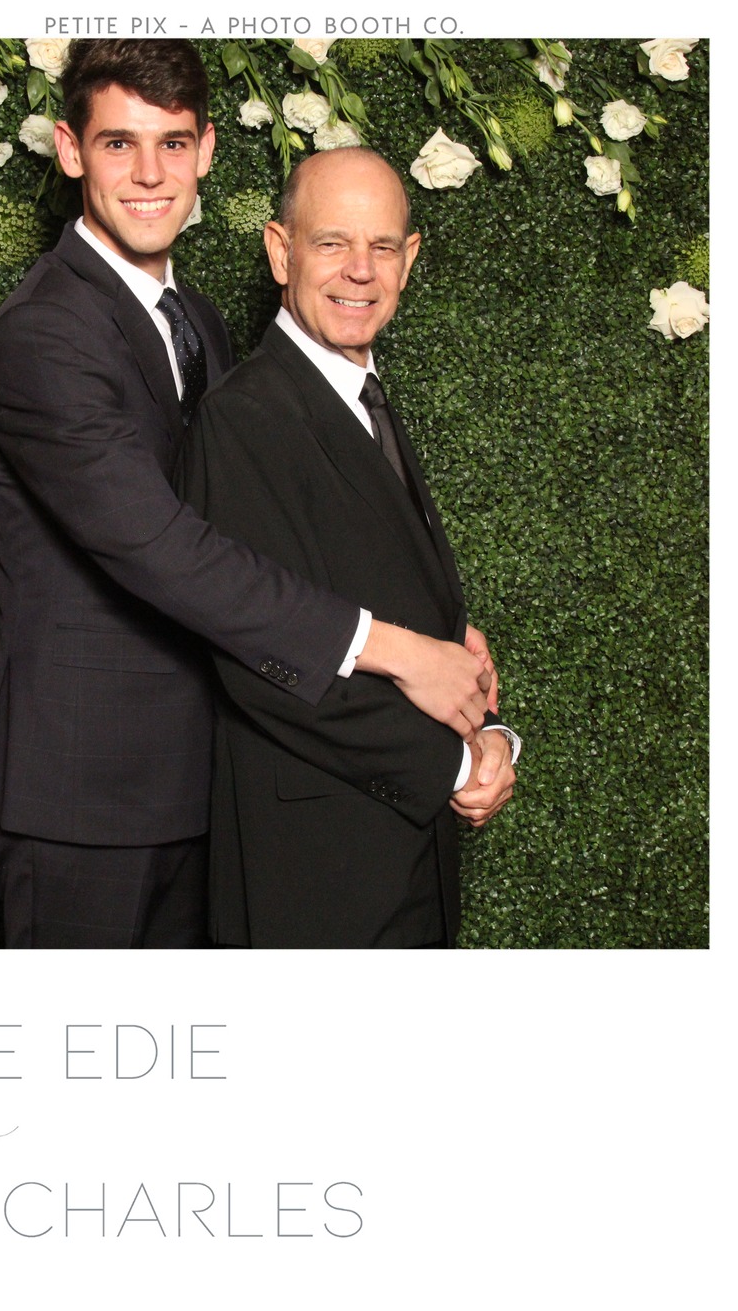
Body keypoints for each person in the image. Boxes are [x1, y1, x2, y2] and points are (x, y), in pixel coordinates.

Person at [0, 41, 494, 949]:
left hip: (209, 791)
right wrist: (397, 649)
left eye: (171, 143)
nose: (149, 174)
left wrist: (443, 635)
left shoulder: (196, 321)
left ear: (206, 151)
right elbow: (165, 549)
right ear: (70, 149)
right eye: (119, 143)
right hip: (87, 804)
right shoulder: (45, 334)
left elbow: (259, 524)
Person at [176, 147, 520, 948]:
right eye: (332, 242)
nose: (360, 270)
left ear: (410, 259)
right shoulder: (244, 418)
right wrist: (454, 765)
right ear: (280, 251)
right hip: (315, 878)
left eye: (383, 246)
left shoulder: (361, 397)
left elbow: (403, 611)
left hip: (401, 862)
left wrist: (487, 732)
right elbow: (259, 660)